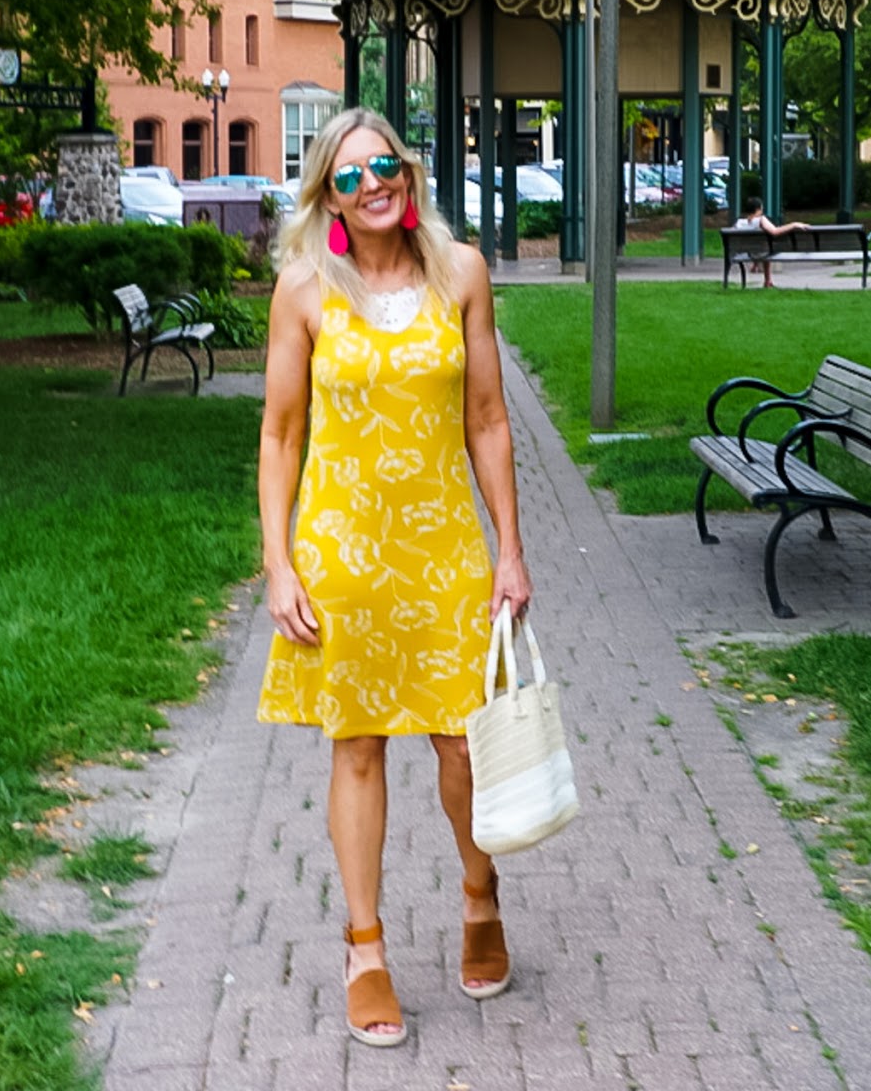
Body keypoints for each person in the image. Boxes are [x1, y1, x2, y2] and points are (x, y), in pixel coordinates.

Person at [256, 108, 531, 1048]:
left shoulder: (461, 276)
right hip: (344, 559)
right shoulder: (302, 290)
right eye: (350, 175)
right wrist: (277, 560)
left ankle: (480, 892)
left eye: (387, 165)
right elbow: (280, 435)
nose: (374, 183)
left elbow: (488, 420)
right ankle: (365, 948)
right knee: (360, 746)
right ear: (326, 196)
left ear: (408, 174)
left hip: (446, 551)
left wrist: (513, 550)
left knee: (463, 746)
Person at [741, 195, 810, 287]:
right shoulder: (761, 220)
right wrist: (794, 225)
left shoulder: (739, 222)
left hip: (746, 253)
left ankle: (765, 278)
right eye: (761, 208)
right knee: (767, 248)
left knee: (762, 245)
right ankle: (767, 280)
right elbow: (775, 232)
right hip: (762, 252)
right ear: (758, 209)